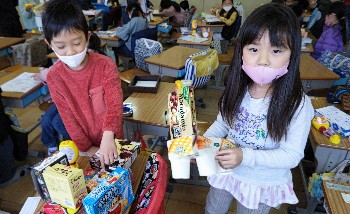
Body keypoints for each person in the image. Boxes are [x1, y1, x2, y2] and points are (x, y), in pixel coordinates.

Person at [204, 3, 314, 213]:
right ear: (241, 51)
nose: (263, 61)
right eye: (254, 49)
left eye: (276, 50)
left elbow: (291, 155)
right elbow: (222, 123)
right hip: (226, 171)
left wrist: (245, 156)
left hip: (261, 183)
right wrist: (203, 143)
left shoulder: (297, 103)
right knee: (213, 210)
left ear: (292, 54)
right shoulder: (238, 87)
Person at [42, 0, 123, 166]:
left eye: (77, 43)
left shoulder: (105, 65)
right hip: (85, 148)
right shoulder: (55, 77)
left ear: (87, 37)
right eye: (60, 46)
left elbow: (114, 105)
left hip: (112, 138)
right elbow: (69, 119)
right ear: (49, 44)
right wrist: (88, 149)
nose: (70, 52)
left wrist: (109, 137)